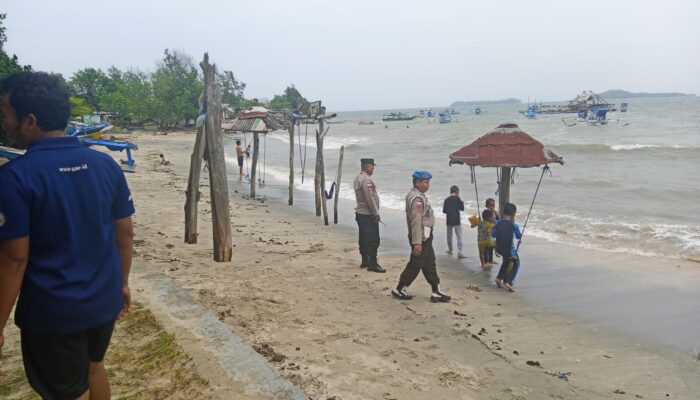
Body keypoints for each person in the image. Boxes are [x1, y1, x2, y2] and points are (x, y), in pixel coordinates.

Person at [0, 72, 135, 399]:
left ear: (29, 121)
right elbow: (125, 234)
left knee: (67, 391)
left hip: (54, 312)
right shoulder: (105, 166)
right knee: (93, 368)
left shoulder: (14, 178)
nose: (3, 124)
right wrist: (123, 283)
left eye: (5, 115)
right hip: (103, 302)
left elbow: (13, 260)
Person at [391, 170, 451, 302]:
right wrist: (417, 242)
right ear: (417, 183)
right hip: (421, 237)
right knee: (416, 263)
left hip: (425, 236)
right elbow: (416, 221)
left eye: (428, 182)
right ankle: (400, 288)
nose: (428, 185)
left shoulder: (417, 195)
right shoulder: (417, 199)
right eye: (426, 182)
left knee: (429, 262)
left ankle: (436, 290)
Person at [353, 158, 385, 273]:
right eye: (372, 166)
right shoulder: (366, 180)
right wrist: (376, 213)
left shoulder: (358, 178)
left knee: (363, 238)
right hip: (367, 214)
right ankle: (372, 263)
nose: (373, 169)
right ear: (368, 166)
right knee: (373, 239)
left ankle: (365, 261)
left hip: (361, 213)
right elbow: (369, 198)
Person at [492, 203, 522, 292]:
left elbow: (493, 234)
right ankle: (509, 282)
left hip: (499, 249)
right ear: (514, 214)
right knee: (517, 264)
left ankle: (498, 278)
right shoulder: (514, 225)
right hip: (509, 251)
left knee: (506, 262)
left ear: (503, 212)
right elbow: (518, 236)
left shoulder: (498, 223)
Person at [442, 185, 466, 258]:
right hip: (456, 220)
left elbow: (444, 211)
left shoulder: (446, 200)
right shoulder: (458, 199)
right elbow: (462, 209)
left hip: (449, 219)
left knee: (449, 235)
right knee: (459, 236)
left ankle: (450, 249)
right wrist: (462, 202)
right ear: (457, 192)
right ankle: (460, 252)